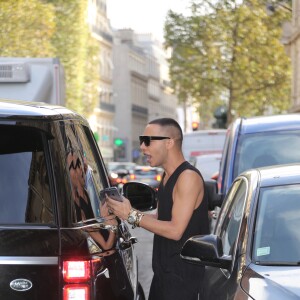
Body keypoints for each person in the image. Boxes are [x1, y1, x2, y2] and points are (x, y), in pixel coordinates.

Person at [106, 118, 209, 300]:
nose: (142, 147)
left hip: (183, 283)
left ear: (169, 142)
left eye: (147, 141)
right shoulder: (167, 176)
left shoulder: (188, 177)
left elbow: (175, 230)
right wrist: (124, 210)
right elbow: (161, 219)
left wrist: (132, 216)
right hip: (163, 278)